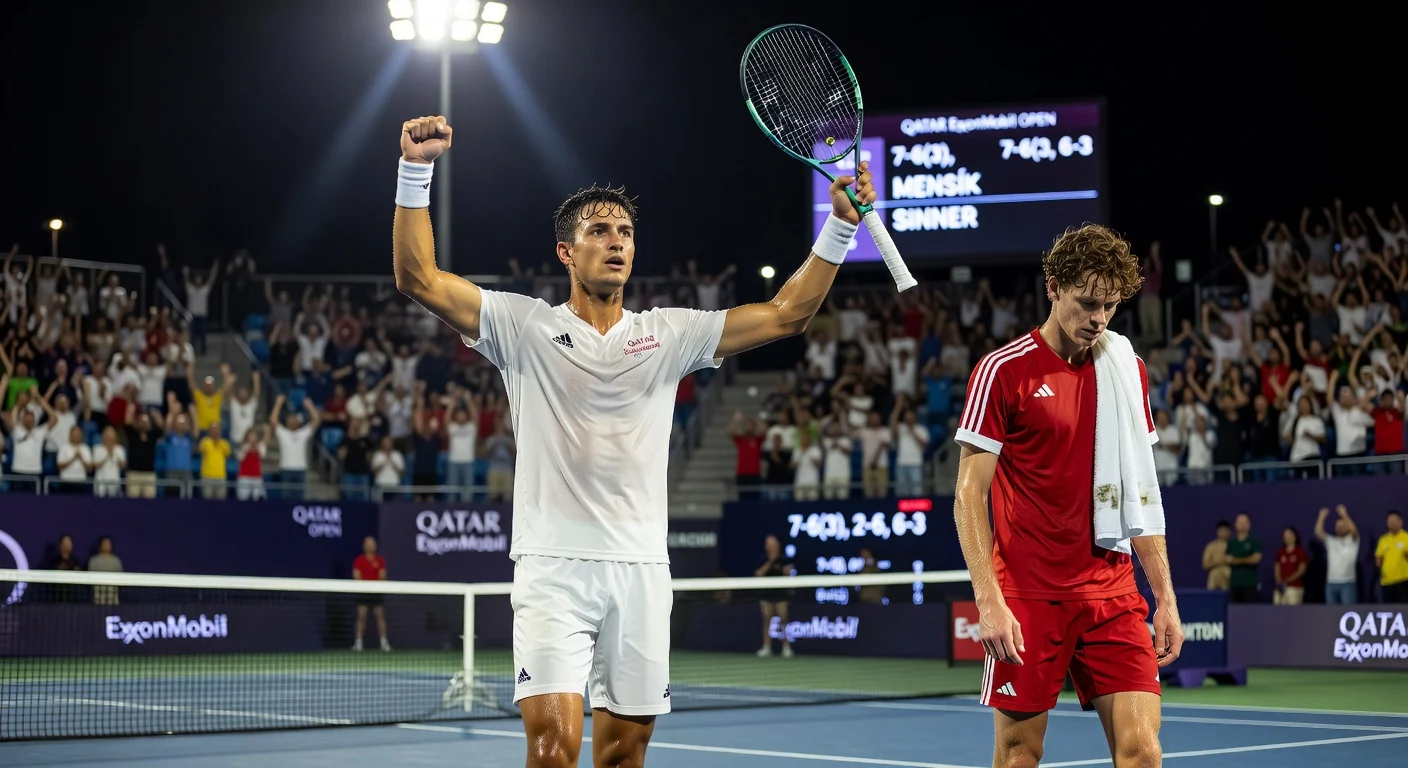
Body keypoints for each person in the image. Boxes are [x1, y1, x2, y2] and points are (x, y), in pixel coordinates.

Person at [391, 114, 874, 767]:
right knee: (552, 749)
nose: (616, 241)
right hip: (552, 568)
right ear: (566, 252)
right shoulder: (522, 325)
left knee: (624, 755)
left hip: (642, 569)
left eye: (625, 232)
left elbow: (787, 315)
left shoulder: (670, 334)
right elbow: (419, 278)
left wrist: (840, 226)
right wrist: (415, 169)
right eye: (598, 231)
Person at [952, 224, 1182, 768]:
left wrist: (1166, 598)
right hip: (1029, 596)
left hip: (1113, 593)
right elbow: (968, 495)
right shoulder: (1002, 371)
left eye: (1111, 306)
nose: (1099, 319)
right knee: (1018, 753)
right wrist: (988, 599)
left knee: (1143, 752)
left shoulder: (1127, 370)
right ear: (1053, 287)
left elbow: (1139, 493)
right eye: (1087, 303)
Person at [753, 535, 796, 658]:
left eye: (774, 544)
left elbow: (790, 574)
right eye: (770, 544)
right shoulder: (763, 559)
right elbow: (758, 574)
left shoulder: (784, 559)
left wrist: (787, 571)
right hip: (766, 595)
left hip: (781, 595)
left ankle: (786, 647)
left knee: (784, 619)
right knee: (767, 619)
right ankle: (767, 647)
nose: (773, 547)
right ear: (767, 547)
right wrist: (770, 562)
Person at [351, 536, 391, 652]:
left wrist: (374, 587)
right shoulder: (359, 560)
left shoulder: (380, 560)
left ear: (375, 546)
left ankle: (384, 643)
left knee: (380, 616)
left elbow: (382, 576)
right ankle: (358, 643)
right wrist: (365, 587)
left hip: (376, 593)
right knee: (361, 615)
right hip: (363, 593)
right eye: (367, 544)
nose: (369, 546)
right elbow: (356, 575)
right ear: (364, 546)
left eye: (372, 544)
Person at [1316, 505, 1360, 604]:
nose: (1340, 528)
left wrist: (1344, 515)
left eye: (1343, 525)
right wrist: (1321, 518)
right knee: (1331, 612)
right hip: (1331, 583)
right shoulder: (1331, 541)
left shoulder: (1353, 540)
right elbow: (1319, 533)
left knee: (1348, 611)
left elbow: (1354, 530)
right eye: (1338, 526)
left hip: (1347, 583)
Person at [1226, 513, 1263, 603]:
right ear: (1235, 525)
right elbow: (1227, 560)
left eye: (1244, 523)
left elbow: (1255, 559)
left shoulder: (1254, 541)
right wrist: (1247, 559)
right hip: (1235, 584)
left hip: (1250, 584)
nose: (1242, 525)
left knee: (1250, 610)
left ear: (1249, 525)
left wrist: (1236, 560)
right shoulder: (1231, 542)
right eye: (1239, 523)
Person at [1376, 510, 1408, 603]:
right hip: (1387, 581)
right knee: (1389, 608)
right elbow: (1378, 557)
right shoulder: (1383, 539)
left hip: (1403, 581)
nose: (1392, 523)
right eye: (1390, 521)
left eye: (1395, 521)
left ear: (1401, 522)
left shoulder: (1406, 538)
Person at [1273, 526, 1309, 605]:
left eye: (1289, 534)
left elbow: (1301, 570)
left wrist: (1288, 580)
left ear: (1294, 536)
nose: (1287, 537)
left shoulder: (1300, 552)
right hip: (1280, 588)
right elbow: (1277, 568)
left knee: (1293, 610)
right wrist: (1279, 581)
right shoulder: (1280, 552)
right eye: (1285, 535)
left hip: (1294, 587)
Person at [1202, 521, 1232, 591]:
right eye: (1221, 530)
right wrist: (1219, 562)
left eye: (1225, 530)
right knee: (1216, 573)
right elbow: (1205, 564)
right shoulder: (1211, 546)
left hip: (1228, 575)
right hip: (1214, 576)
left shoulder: (1234, 545)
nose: (1223, 532)